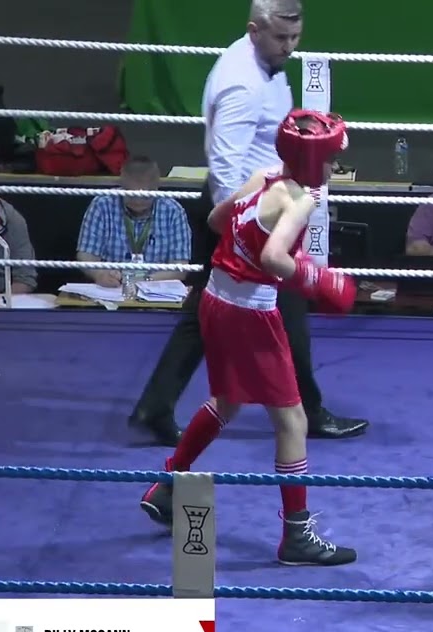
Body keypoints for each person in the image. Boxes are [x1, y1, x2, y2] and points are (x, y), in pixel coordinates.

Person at [127, 0, 367, 447]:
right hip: (247, 211)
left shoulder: (268, 63)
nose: (290, 47)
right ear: (254, 30)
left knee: (207, 309)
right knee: (284, 304)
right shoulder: (240, 83)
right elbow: (224, 165)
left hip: (261, 205)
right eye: (281, 38)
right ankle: (306, 411)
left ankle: (156, 406)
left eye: (296, 37)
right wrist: (241, 234)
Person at [139, 109, 358, 567]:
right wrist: (317, 281)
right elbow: (278, 257)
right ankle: (296, 536)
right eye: (332, 159)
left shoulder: (262, 176)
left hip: (214, 299)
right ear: (316, 159)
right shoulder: (299, 200)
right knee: (293, 422)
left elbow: (218, 220)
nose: (335, 167)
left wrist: (251, 252)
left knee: (228, 400)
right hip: (249, 312)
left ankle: (169, 485)